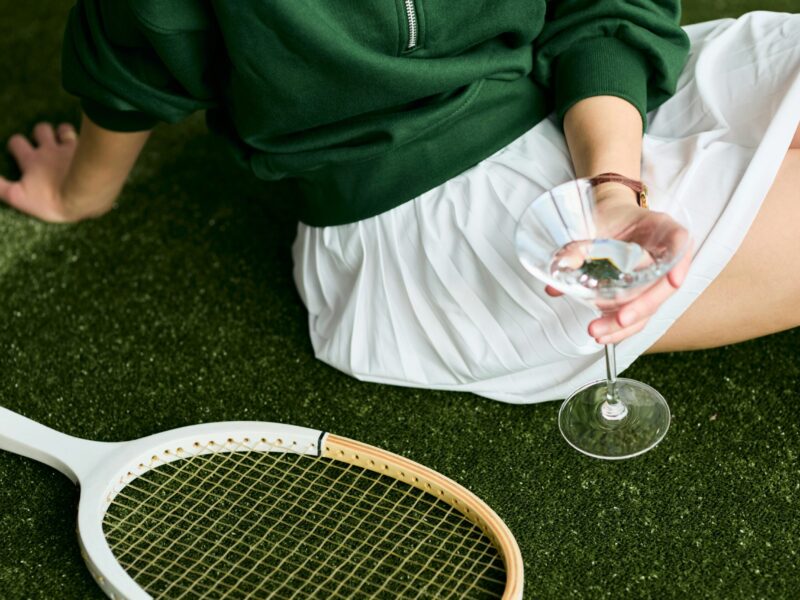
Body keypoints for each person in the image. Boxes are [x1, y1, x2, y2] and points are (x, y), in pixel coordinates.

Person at [1, 2, 798, 403]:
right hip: (432, 219)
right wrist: (79, 194)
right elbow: (134, 52)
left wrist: (614, 188)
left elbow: (602, 10)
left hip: (598, 108)